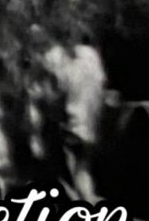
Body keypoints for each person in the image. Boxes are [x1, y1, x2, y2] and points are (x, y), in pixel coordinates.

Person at [40, 29, 109, 203]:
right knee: (84, 169)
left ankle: (82, 204)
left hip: (72, 122)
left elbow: (58, 91)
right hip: (92, 124)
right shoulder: (96, 65)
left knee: (68, 169)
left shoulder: (70, 64)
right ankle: (87, 202)